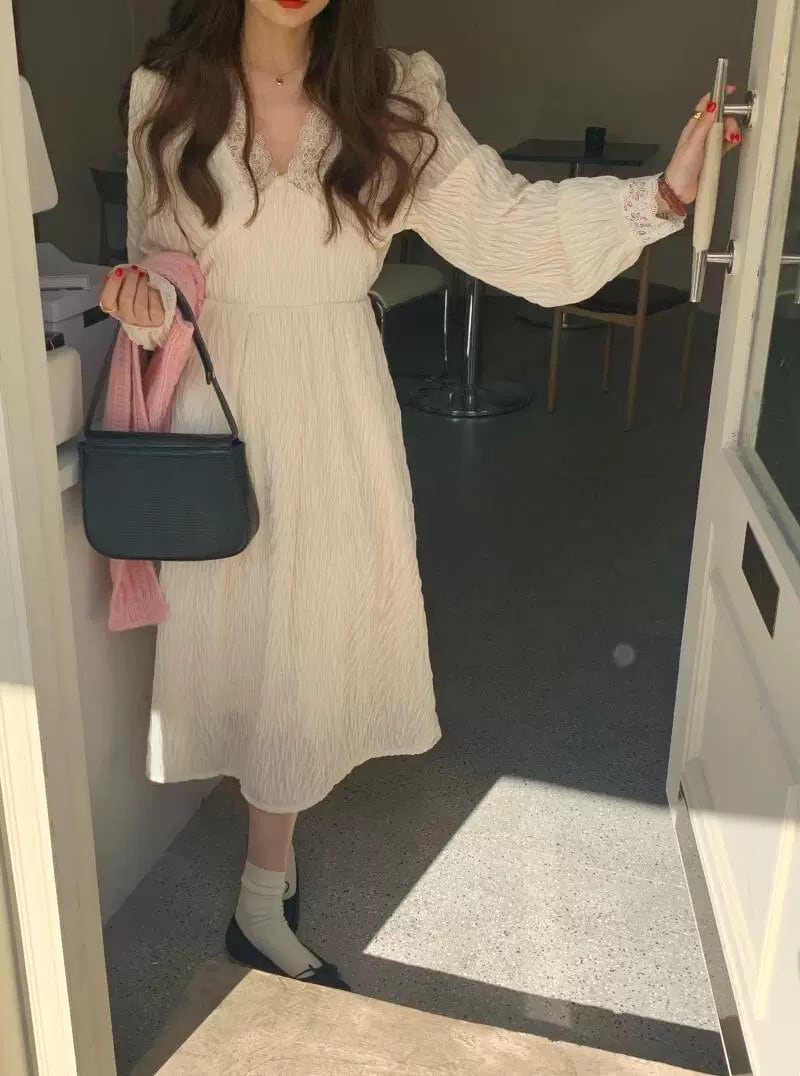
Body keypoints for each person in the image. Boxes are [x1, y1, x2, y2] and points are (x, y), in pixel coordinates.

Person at [99, 0, 741, 992]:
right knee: (244, 635)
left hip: (337, 408)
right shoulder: (167, 95)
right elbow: (164, 276)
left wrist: (658, 197)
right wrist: (138, 304)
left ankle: (260, 892)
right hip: (217, 412)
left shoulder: (391, 95)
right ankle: (273, 855)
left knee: (310, 638)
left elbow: (506, 224)